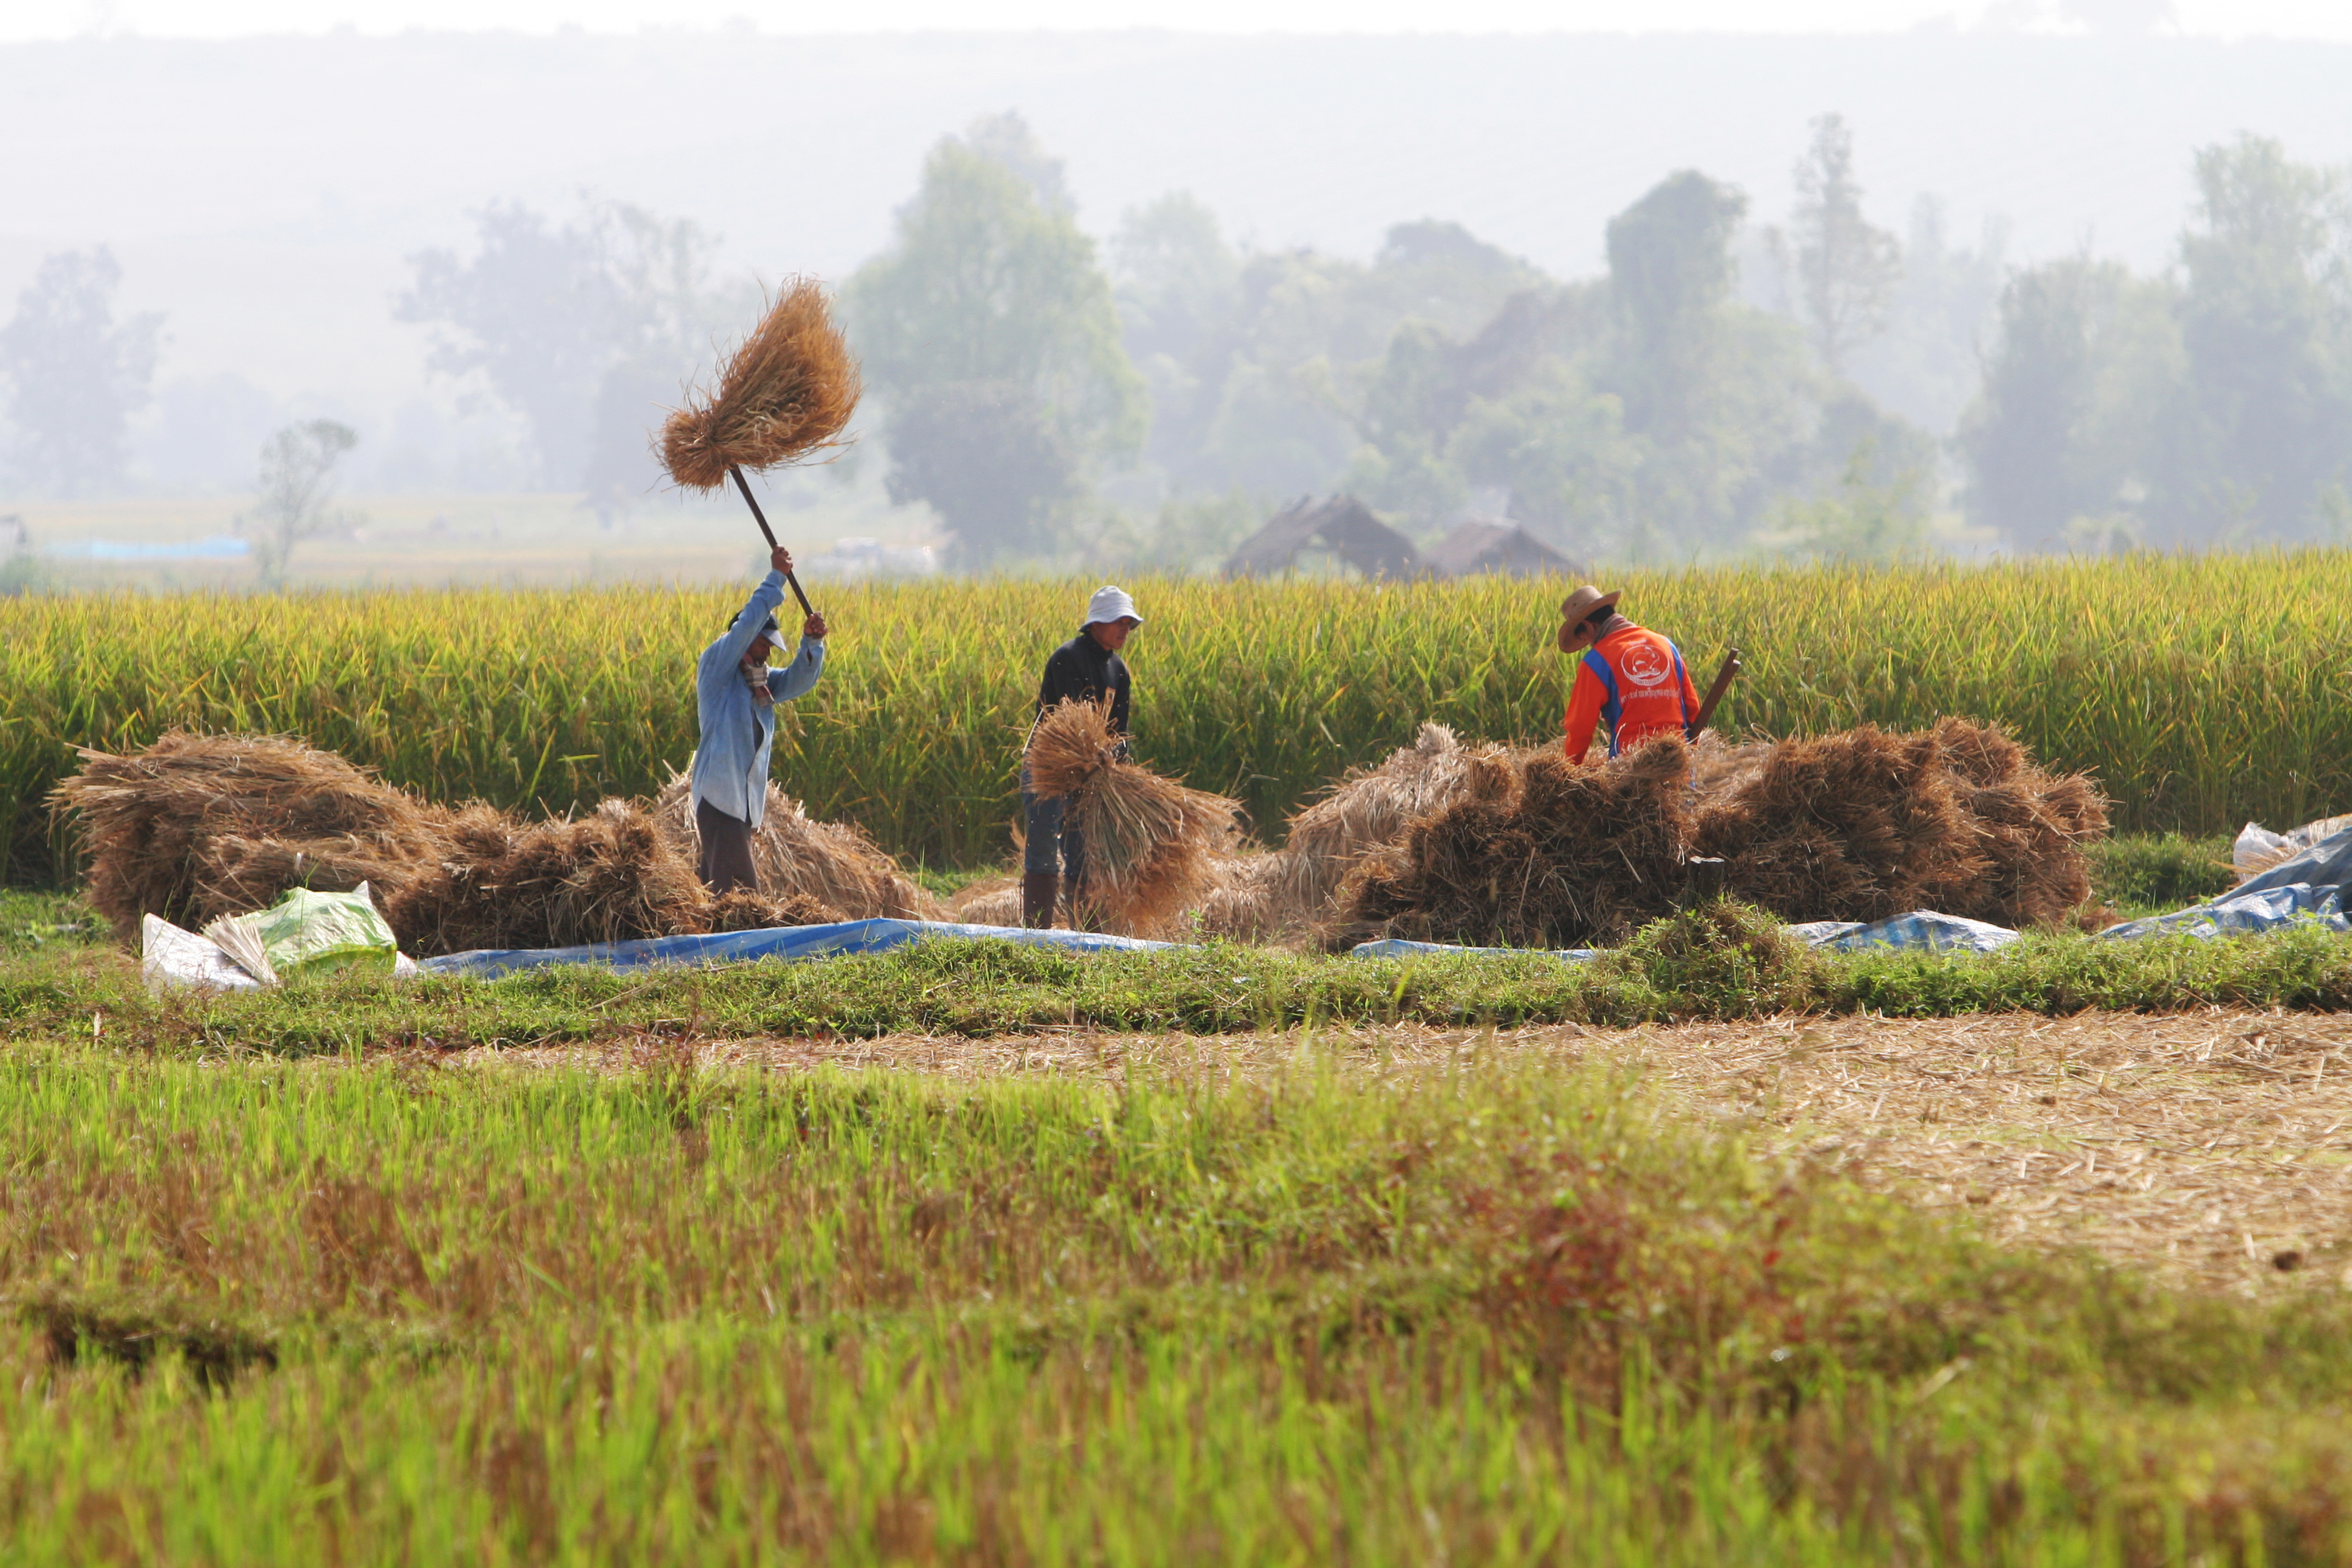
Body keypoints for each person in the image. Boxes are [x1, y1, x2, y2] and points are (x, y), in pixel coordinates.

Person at [690, 545, 828, 893]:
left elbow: (800, 680)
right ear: (743, 639)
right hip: (720, 798)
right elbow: (747, 623)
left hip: (742, 807)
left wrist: (811, 643)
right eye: (762, 643)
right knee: (741, 896)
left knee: (716, 892)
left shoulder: (760, 685)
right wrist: (776, 578)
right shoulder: (717, 669)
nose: (767, 650)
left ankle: (714, 945)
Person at [1022, 585, 1140, 928]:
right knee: (1043, 851)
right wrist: (1094, 751)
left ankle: (1085, 936)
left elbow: (1120, 730)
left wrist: (1114, 759)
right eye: (1118, 622)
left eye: (1128, 624)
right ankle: (1036, 936)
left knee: (1083, 856)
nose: (1124, 630)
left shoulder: (1118, 670)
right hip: (1048, 768)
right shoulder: (1068, 658)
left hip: (1089, 776)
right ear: (1097, 623)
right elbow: (1070, 720)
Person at [1556, 583, 1700, 765]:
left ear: (1588, 626)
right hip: (1678, 764)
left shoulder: (1596, 660)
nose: (1588, 643)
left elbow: (1580, 728)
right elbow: (1692, 707)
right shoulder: (1665, 645)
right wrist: (1689, 754)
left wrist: (1569, 769)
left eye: (1583, 638)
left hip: (1632, 771)